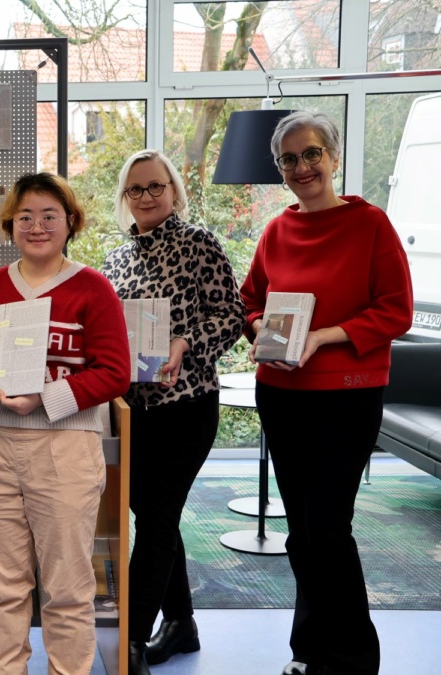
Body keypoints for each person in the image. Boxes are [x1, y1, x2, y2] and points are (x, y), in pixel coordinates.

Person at [241, 110, 412, 675]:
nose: (301, 166)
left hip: (347, 394)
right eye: (289, 159)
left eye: (312, 153)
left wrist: (323, 337)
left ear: (333, 157)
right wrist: (266, 332)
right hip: (282, 393)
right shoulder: (276, 230)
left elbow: (395, 311)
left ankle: (354, 658)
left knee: (328, 528)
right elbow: (252, 302)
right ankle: (309, 649)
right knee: (300, 533)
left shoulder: (371, 226)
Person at [0, 172, 131, 675]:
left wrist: (43, 398)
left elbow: (114, 373)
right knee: (2, 582)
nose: (37, 226)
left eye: (49, 216)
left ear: (70, 222)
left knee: (68, 586)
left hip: (63, 449)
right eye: (25, 217)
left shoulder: (92, 288)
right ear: (11, 224)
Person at [102, 150, 245, 675]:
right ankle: (182, 624)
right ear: (125, 198)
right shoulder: (115, 260)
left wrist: (186, 341)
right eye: (136, 189)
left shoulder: (199, 243)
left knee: (158, 519)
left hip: (187, 406)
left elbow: (231, 314)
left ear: (174, 190)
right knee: (154, 516)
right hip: (134, 411)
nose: (146, 197)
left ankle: (134, 641)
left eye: (155, 186)